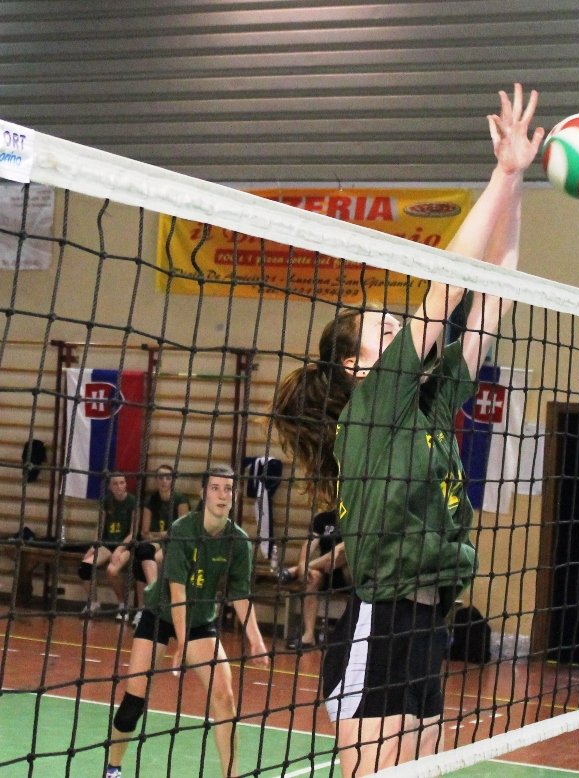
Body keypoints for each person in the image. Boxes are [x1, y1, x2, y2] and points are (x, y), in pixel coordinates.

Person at [272, 84, 544, 776]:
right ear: (357, 367)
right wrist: (498, 174)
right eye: (386, 329)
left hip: (427, 623)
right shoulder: (373, 406)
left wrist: (518, 184)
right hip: (382, 620)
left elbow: (495, 296)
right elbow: (446, 289)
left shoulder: (426, 404)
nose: (400, 328)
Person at [105, 465, 269, 778]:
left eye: (228, 489)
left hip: (200, 621)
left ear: (234, 496)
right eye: (215, 488)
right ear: (204, 493)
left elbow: (240, 596)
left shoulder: (238, 541)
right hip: (160, 613)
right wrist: (180, 643)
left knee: (224, 698)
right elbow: (177, 591)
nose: (222, 494)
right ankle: (112, 768)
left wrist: (256, 640)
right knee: (133, 702)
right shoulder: (183, 529)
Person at [280, 509, 351, 650]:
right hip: (326, 570)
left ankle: (294, 571)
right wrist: (302, 562)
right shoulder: (323, 518)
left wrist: (302, 567)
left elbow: (351, 545)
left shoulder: (356, 515)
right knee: (312, 578)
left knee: (342, 554)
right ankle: (308, 636)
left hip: (348, 573)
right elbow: (309, 543)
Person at [79, 473, 137, 618]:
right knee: (85, 567)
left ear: (126, 484)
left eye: (122, 483)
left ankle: (123, 605)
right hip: (107, 544)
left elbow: (133, 532)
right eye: (115, 483)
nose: (119, 486)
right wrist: (94, 546)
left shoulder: (133, 502)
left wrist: (120, 549)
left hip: (126, 546)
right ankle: (94, 603)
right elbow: (100, 525)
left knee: (111, 571)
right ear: (110, 487)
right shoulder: (106, 501)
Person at [133, 464, 190, 591]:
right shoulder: (151, 500)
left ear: (173, 480)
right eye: (161, 478)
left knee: (156, 558)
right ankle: (147, 598)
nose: (164, 481)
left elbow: (181, 531)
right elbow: (144, 532)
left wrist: (157, 534)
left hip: (175, 542)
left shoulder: (180, 500)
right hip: (158, 541)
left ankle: (155, 594)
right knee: (142, 554)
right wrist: (163, 534)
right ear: (156, 480)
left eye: (168, 478)